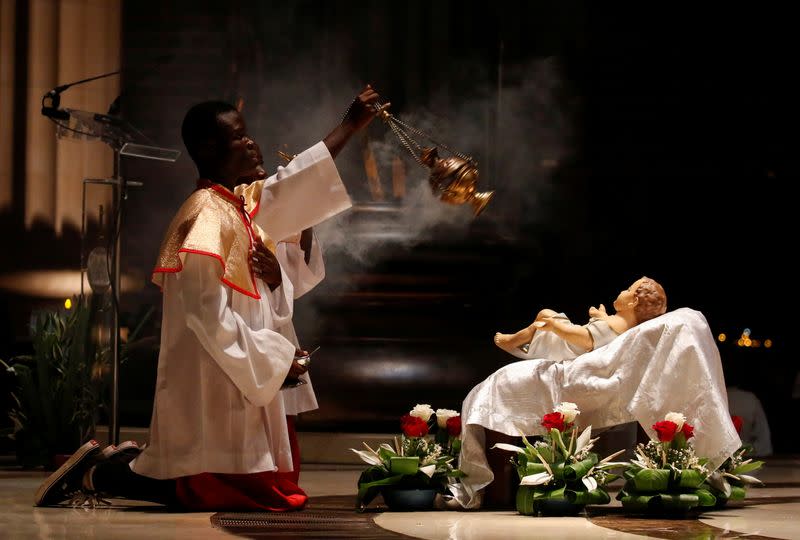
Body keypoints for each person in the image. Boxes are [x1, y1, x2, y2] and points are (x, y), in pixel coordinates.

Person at [34, 85, 381, 510]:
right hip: (216, 373)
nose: (252, 142)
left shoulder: (238, 207)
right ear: (208, 148)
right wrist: (275, 358)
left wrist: (276, 284)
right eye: (239, 136)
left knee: (260, 488)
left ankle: (112, 467)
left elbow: (291, 193)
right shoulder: (204, 214)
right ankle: (102, 470)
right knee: (224, 488)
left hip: (243, 368)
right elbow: (206, 315)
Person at [450, 278, 741, 510]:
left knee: (547, 316)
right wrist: (601, 318)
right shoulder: (622, 323)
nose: (622, 290)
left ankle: (516, 340)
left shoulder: (618, 324)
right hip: (585, 353)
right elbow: (609, 333)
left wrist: (557, 328)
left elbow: (588, 339)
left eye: (628, 290)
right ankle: (520, 339)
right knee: (547, 320)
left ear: (634, 301)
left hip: (578, 359)